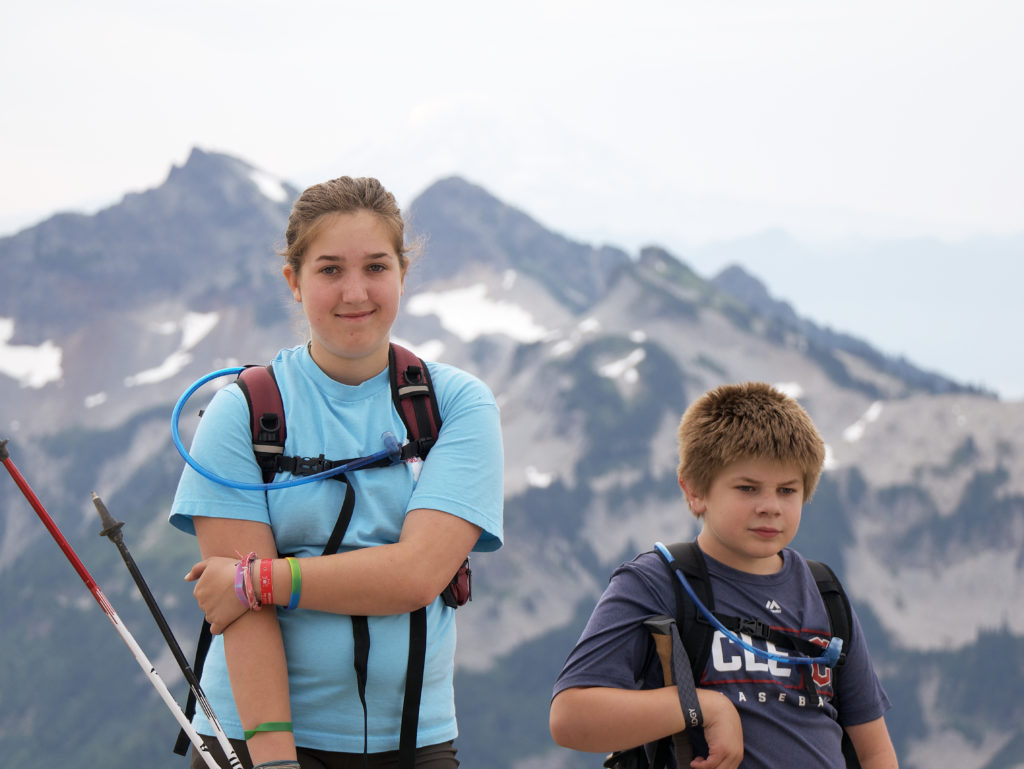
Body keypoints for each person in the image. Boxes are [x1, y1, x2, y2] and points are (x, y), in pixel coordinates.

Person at [169, 175, 504, 769]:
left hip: (414, 742)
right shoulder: (241, 412)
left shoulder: (458, 405)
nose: (355, 292)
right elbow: (242, 619)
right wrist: (275, 760)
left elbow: (415, 577)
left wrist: (258, 580)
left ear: (403, 272)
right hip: (253, 740)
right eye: (329, 270)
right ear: (293, 282)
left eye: (376, 267)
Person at [549, 382, 898, 769]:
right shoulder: (656, 582)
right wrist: (703, 707)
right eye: (747, 488)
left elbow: (875, 751)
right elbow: (570, 717)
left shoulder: (825, 593)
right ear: (695, 491)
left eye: (787, 490)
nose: (770, 507)